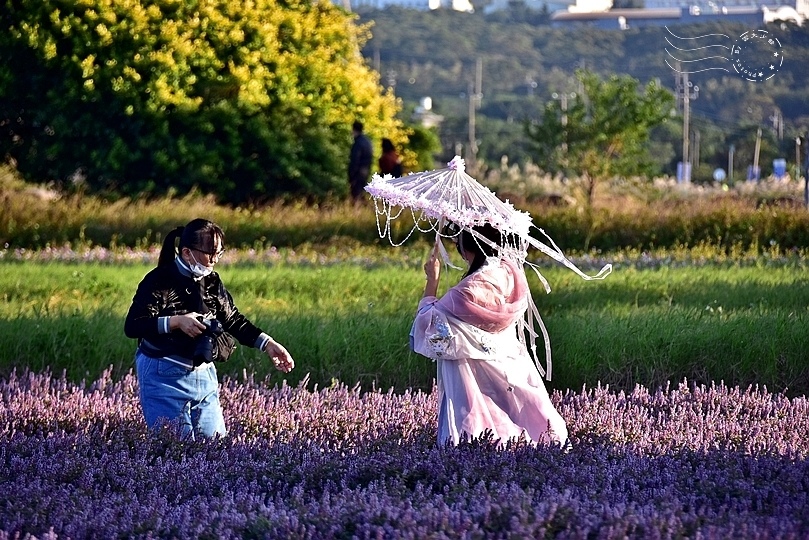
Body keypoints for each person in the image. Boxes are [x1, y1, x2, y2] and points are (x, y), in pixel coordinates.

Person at [124, 218, 294, 439]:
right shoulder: (159, 280)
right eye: (209, 253)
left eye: (219, 253)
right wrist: (177, 321)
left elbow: (233, 319)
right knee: (175, 452)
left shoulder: (212, 281)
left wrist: (268, 343)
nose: (214, 260)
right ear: (187, 253)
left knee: (214, 446)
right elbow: (133, 325)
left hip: (204, 375)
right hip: (163, 374)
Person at [410, 223, 569, 448]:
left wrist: (432, 281)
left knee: (474, 432)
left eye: (458, 242)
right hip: (509, 363)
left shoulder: (467, 291)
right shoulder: (508, 273)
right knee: (519, 418)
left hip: (472, 372)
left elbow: (431, 326)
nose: (456, 246)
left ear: (469, 245)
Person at [348, 120, 373, 202]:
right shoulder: (367, 142)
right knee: (362, 193)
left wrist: (351, 174)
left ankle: (356, 211)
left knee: (356, 194)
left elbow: (355, 159)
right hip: (366, 170)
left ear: (354, 129)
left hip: (358, 172)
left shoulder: (358, 143)